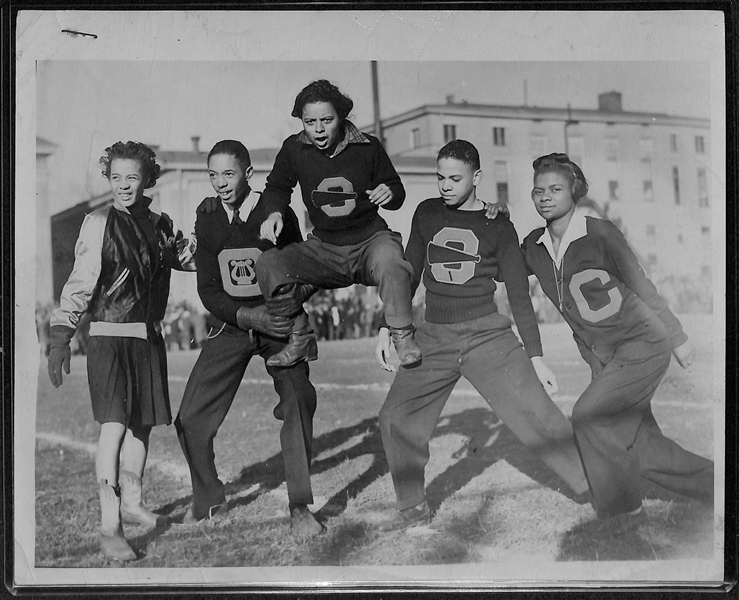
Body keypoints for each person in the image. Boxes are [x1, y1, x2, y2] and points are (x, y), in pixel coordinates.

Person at [374, 140, 589, 531]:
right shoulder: (425, 213)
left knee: (539, 414)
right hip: (433, 335)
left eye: (455, 178)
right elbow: (405, 272)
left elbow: (519, 296)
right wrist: (388, 328)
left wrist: (537, 358)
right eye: (440, 177)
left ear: (476, 178)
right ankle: (412, 509)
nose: (445, 185)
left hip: (485, 335)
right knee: (394, 416)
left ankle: (596, 485)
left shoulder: (498, 225)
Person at [515, 152, 714, 532]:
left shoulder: (600, 232)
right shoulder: (533, 245)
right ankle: (717, 486)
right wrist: (487, 216)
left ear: (574, 191)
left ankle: (625, 512)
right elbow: (501, 262)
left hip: (642, 343)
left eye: (555, 189)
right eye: (538, 191)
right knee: (645, 448)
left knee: (590, 415)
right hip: (603, 359)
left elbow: (642, 284)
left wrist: (678, 337)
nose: (545, 197)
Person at [47, 141, 196, 561]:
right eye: (116, 178)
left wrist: (217, 235)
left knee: (142, 426)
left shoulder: (161, 222)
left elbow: (187, 258)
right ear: (108, 179)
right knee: (114, 425)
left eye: (132, 177)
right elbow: (81, 281)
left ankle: (132, 502)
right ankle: (110, 524)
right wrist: (61, 334)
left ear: (147, 179)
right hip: (109, 338)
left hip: (147, 338)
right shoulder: (98, 221)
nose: (124, 185)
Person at [175, 140, 323, 536]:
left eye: (228, 173)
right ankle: (208, 499)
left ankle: (299, 506)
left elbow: (305, 270)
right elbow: (208, 288)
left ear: (247, 174)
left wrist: (282, 311)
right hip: (235, 323)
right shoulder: (206, 218)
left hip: (277, 325)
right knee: (190, 417)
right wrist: (246, 315)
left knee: (298, 401)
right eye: (213, 175)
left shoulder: (275, 212)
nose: (220, 183)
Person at [254, 79, 420, 368]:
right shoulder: (294, 149)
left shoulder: (368, 147)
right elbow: (277, 188)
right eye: (310, 121)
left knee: (393, 261)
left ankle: (403, 335)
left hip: (370, 242)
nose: (318, 129)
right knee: (270, 264)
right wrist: (274, 213)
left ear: (341, 117)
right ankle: (300, 336)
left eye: (327, 120)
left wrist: (390, 192)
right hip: (324, 248)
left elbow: (396, 189)